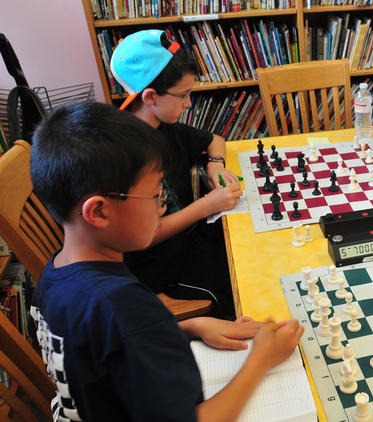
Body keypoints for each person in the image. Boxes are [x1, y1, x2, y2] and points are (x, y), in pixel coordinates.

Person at [29, 102, 304, 421]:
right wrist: (261, 359)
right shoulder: (127, 308)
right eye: (157, 197)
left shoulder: (54, 276)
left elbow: (107, 349)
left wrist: (190, 326)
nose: (163, 209)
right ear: (99, 211)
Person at [111, 29, 242, 318]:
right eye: (184, 95)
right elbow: (145, 235)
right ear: (150, 96)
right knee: (241, 285)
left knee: (250, 251)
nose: (189, 103)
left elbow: (214, 140)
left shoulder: (165, 127)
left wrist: (215, 164)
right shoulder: (124, 155)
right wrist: (207, 205)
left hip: (190, 240)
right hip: (161, 270)